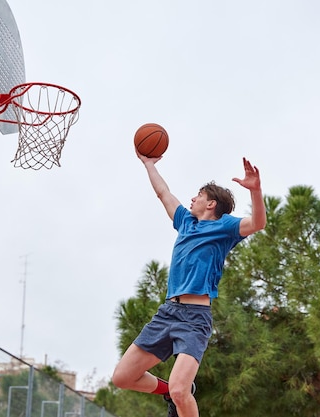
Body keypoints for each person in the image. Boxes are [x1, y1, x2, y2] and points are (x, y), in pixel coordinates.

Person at [111, 152, 267, 417]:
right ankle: (167, 393)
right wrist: (148, 164)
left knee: (181, 389)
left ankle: (176, 393)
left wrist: (256, 190)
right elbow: (163, 193)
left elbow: (258, 223)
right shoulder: (185, 222)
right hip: (167, 313)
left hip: (195, 318)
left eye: (199, 195)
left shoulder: (225, 227)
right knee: (123, 377)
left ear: (211, 204)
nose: (192, 198)